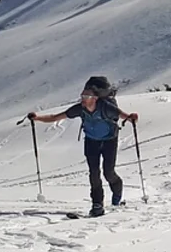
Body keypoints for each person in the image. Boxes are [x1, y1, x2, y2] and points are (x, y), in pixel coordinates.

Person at [28, 82, 139, 217]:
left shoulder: (106, 107)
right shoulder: (80, 109)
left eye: (87, 96)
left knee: (108, 172)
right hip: (91, 142)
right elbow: (56, 117)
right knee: (94, 173)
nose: (83, 98)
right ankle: (97, 204)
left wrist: (131, 118)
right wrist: (37, 118)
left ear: (95, 98)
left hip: (109, 141)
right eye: (82, 95)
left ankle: (117, 197)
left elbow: (123, 115)